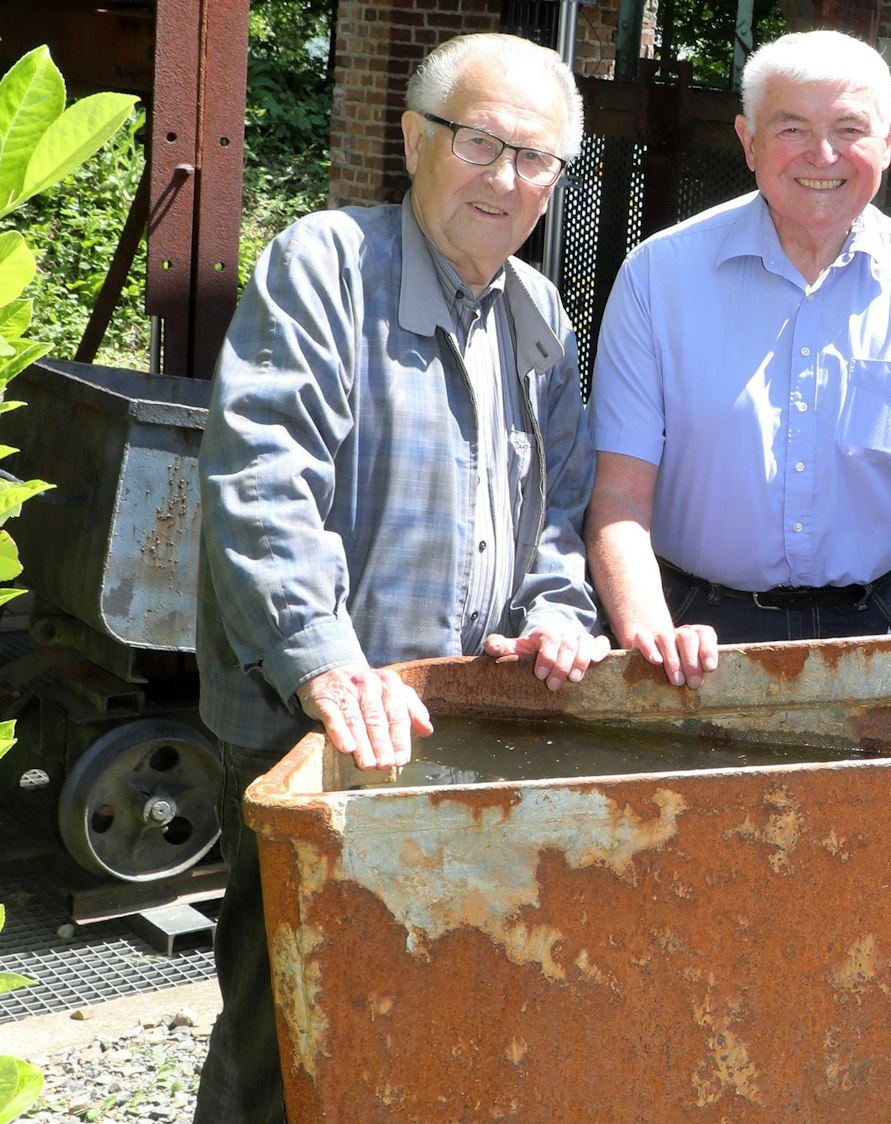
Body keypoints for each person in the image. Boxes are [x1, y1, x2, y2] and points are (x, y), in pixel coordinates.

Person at [193, 33, 605, 1122]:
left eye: (537, 159)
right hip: (309, 727)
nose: (508, 179)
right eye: (482, 142)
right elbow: (262, 476)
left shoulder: (539, 318)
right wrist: (327, 664)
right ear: (415, 136)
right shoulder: (326, 264)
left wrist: (557, 616)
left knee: (427, 1018)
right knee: (284, 1030)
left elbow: (559, 516)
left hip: (451, 729)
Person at [585, 29, 891, 675]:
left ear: (888, 140)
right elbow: (619, 497)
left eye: (849, 128)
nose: (823, 154)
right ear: (749, 141)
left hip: (887, 634)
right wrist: (648, 636)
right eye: (793, 129)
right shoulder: (658, 276)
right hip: (694, 634)